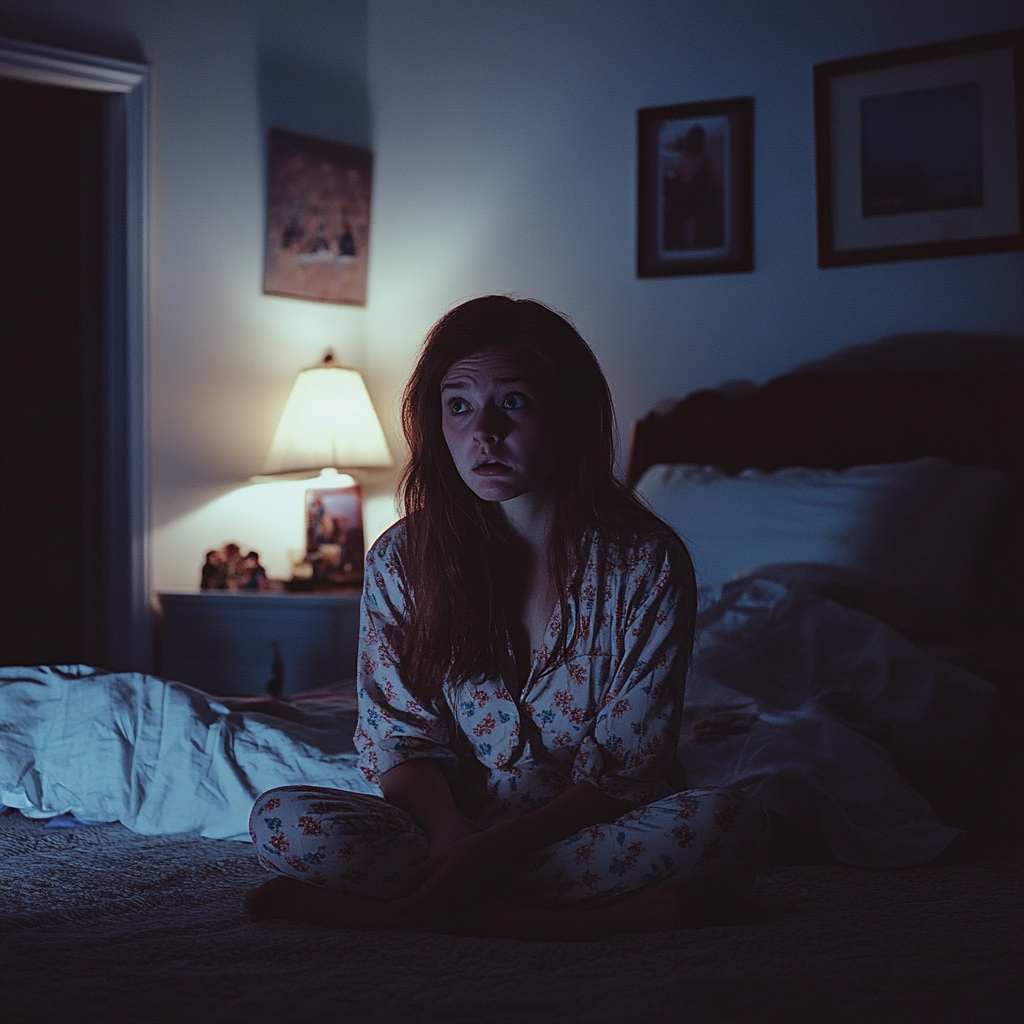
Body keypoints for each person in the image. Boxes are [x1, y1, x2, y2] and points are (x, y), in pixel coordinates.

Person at [245, 296, 768, 939]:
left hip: (584, 826)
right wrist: (453, 836)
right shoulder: (402, 559)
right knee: (281, 818)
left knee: (723, 825)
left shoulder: (646, 563)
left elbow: (628, 770)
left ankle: (412, 913)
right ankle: (568, 923)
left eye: (512, 403)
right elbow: (399, 744)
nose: (482, 434)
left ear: (569, 413)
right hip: (443, 824)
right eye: (458, 405)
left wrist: (485, 857)